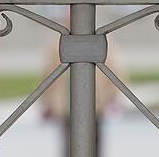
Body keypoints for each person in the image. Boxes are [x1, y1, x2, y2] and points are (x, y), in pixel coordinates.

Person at [41, 15, 123, 157]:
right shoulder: (57, 43)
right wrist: (47, 102)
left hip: (95, 104)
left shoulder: (100, 41)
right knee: (70, 145)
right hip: (67, 106)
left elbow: (113, 69)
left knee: (94, 143)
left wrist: (113, 97)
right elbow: (49, 74)